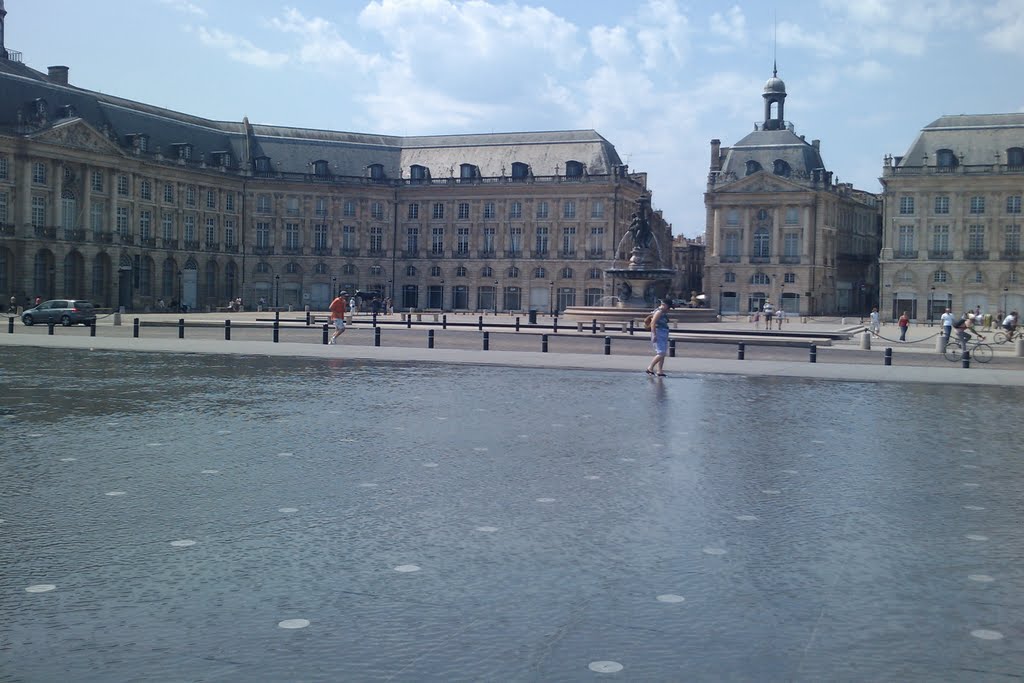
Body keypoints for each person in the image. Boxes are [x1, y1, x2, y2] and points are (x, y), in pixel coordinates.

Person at [645, 298, 672, 377]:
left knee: (662, 353)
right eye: (669, 307)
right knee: (661, 352)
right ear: (664, 305)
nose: (669, 309)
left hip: (663, 332)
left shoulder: (662, 312)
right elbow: (653, 323)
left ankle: (660, 370)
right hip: (659, 332)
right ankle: (650, 368)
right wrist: (654, 334)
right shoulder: (659, 311)